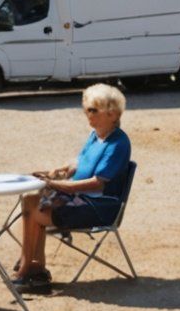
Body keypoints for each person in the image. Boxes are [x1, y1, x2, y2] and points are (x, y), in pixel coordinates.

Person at [13, 83, 132, 293]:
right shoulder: (95, 136)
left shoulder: (118, 144)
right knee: (33, 201)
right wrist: (56, 172)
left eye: (93, 110)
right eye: (87, 109)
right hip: (81, 200)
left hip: (99, 206)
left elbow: (97, 182)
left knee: (33, 206)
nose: (88, 114)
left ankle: (29, 268)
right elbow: (78, 164)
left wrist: (60, 185)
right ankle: (34, 268)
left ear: (112, 114)